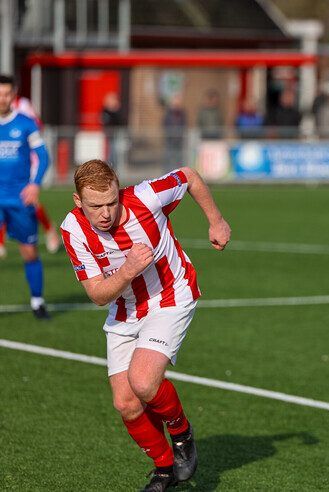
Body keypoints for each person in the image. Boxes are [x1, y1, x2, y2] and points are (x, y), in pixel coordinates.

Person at [59, 160, 231, 491]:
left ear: (119, 190)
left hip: (170, 295)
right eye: (96, 206)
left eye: (111, 202)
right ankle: (164, 470)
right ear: (78, 201)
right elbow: (97, 294)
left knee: (143, 380)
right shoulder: (73, 230)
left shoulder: (146, 197)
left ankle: (182, 433)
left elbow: (189, 176)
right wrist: (128, 270)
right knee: (125, 403)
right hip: (125, 308)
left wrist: (217, 221)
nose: (106, 212)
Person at [0, 74, 51, 319]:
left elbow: (43, 156)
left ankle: (37, 301)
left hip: (19, 199)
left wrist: (35, 184)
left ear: (14, 94)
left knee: (29, 252)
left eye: (7, 94)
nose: (2, 98)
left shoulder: (26, 123)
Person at [0, 92, 60, 257]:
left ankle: (49, 229)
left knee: (28, 200)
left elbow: (36, 125)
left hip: (27, 161)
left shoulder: (24, 105)